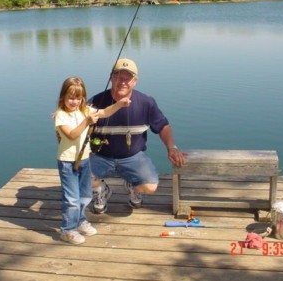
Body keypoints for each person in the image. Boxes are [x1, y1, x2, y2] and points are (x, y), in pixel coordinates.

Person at [88, 58, 186, 214]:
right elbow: (78, 125)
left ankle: (133, 186)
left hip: (133, 157)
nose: (123, 82)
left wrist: (171, 148)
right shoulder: (95, 102)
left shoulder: (146, 103)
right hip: (101, 157)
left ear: (135, 81)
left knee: (150, 186)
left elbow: (163, 126)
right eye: (119, 77)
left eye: (128, 79)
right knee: (77, 176)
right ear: (111, 77)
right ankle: (101, 190)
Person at [53, 77, 130, 244]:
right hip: (67, 162)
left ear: (83, 98)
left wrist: (119, 104)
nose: (74, 101)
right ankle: (67, 230)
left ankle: (80, 222)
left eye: (78, 98)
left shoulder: (85, 110)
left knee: (85, 195)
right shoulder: (60, 115)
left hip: (84, 160)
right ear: (63, 97)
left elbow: (104, 112)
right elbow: (72, 134)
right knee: (72, 199)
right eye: (70, 97)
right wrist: (87, 121)